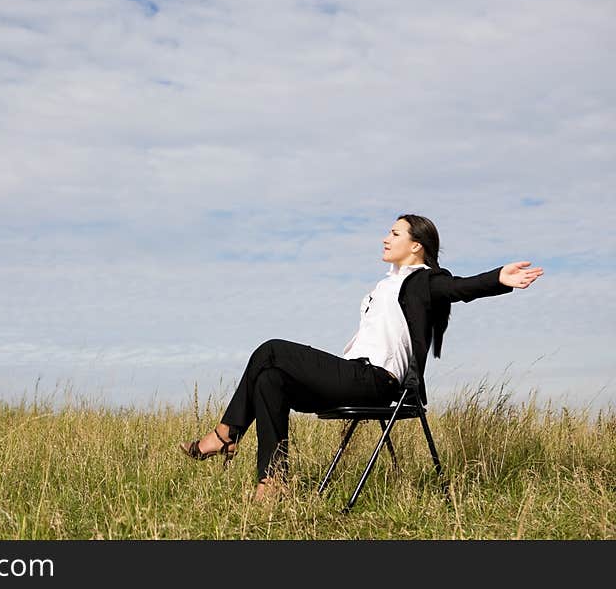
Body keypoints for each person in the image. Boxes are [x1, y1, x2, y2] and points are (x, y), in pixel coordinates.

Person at [179, 214, 544, 502]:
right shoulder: (385, 285)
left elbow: (459, 287)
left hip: (376, 382)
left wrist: (498, 278)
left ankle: (224, 435)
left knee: (271, 350)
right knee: (269, 379)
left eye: (395, 233)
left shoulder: (422, 280)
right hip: (353, 377)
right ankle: (273, 483)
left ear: (416, 246)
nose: (386, 238)